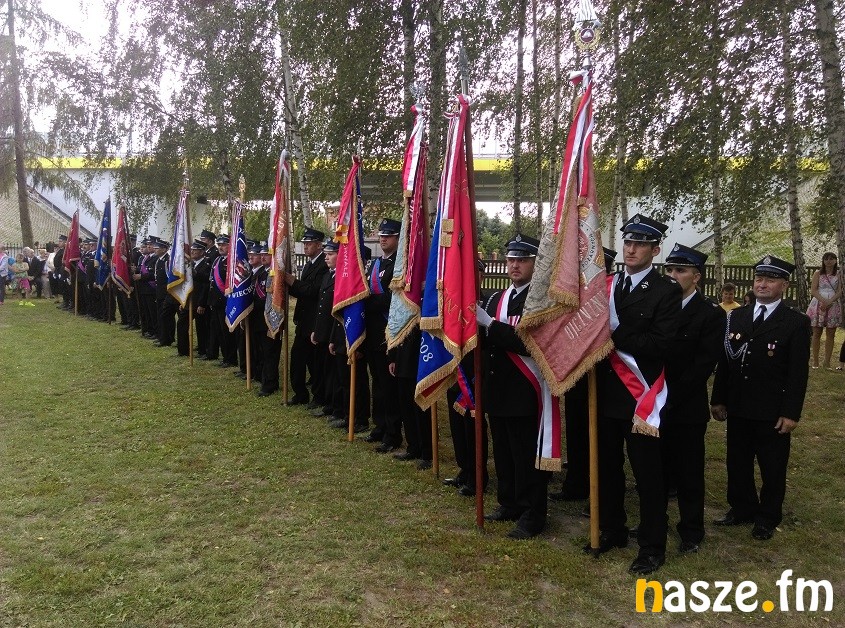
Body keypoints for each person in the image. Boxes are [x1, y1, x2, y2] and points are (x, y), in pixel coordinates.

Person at [591, 214, 681, 575]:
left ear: (655, 250)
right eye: (628, 242)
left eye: (640, 244)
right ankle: (612, 528)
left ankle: (652, 545)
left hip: (641, 396)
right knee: (607, 467)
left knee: (647, 474)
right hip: (604, 392)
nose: (631, 249)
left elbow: (661, 344)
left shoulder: (666, 291)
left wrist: (615, 330)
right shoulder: (607, 285)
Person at [710, 255, 810, 541]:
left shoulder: (795, 322)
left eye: (770, 280)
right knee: (737, 461)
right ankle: (741, 507)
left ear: (784, 285)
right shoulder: (737, 316)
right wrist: (718, 399)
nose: (762, 284)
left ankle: (767, 516)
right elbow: (726, 361)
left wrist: (791, 412)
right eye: (759, 279)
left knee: (772, 465)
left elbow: (797, 373)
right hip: (739, 404)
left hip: (771, 409)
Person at [477, 233, 551, 540]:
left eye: (522, 260)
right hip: (498, 384)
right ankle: (509, 502)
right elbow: (486, 341)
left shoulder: (540, 299)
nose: (515, 265)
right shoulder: (497, 298)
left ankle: (533, 513)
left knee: (525, 455)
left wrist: (490, 325)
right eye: (511, 259)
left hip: (525, 387)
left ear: (535, 263)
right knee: (504, 451)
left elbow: (529, 343)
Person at [661, 244, 724, 554]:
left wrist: (667, 397)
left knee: (689, 474)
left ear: (696, 277)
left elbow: (703, 365)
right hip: (651, 405)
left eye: (681, 270)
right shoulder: (658, 306)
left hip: (685, 406)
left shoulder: (710, 314)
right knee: (656, 470)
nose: (673, 275)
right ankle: (654, 522)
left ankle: (691, 530)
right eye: (670, 270)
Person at [364, 218, 402, 452]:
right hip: (373, 332)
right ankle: (379, 426)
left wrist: (367, 301)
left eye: (388, 236)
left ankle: (392, 433)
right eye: (381, 236)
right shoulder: (376, 264)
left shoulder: (400, 265)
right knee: (377, 382)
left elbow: (392, 299)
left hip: (390, 331)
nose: (383, 239)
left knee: (389, 387)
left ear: (398, 238)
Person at [285, 228, 328, 405]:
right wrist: (288, 286)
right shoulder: (310, 264)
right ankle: (300, 393)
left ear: (318, 245)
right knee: (297, 358)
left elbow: (313, 291)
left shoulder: (324, 264)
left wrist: (292, 281)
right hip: (304, 320)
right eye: (304, 244)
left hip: (315, 321)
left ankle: (319, 396)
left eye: (309, 244)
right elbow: (302, 292)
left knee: (315, 362)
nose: (305, 247)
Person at [806, 252, 841, 370]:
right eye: (826, 259)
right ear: (823, 261)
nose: (829, 261)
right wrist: (823, 301)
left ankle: (827, 362)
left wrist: (830, 301)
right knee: (816, 333)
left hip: (833, 303)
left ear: (835, 260)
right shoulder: (818, 273)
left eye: (831, 259)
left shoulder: (839, 274)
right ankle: (815, 361)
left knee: (831, 333)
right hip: (818, 303)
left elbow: (840, 291)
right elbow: (813, 290)